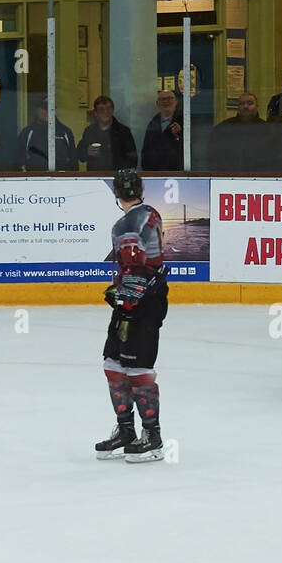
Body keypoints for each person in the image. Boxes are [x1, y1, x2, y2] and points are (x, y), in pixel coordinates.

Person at [96, 169, 169, 463]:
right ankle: (126, 430)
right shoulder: (151, 213)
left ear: (115, 192)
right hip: (144, 300)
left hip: (139, 305)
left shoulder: (123, 224)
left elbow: (136, 272)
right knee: (113, 363)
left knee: (137, 370)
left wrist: (124, 301)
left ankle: (152, 436)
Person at [207, 93, 271, 173]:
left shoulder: (267, 129)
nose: (245, 106)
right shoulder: (223, 128)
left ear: (257, 106)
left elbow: (272, 158)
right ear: (238, 107)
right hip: (228, 177)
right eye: (242, 103)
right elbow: (213, 156)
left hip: (260, 177)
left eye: (250, 103)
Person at [76, 95, 137, 173]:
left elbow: (132, 158)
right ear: (95, 113)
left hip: (117, 178)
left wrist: (123, 175)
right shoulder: (89, 131)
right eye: (101, 110)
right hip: (95, 178)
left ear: (112, 110)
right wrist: (87, 151)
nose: (105, 112)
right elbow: (79, 155)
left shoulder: (123, 132)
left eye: (108, 109)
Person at [16, 97, 76, 172]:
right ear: (37, 109)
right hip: (35, 180)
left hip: (61, 180)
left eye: (51, 108)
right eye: (44, 108)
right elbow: (19, 160)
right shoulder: (27, 132)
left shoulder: (65, 132)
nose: (48, 111)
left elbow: (74, 161)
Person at [141, 89, 184, 172]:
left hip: (178, 173)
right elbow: (146, 151)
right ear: (157, 104)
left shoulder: (185, 122)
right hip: (155, 174)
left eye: (170, 98)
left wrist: (180, 134)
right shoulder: (152, 123)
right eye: (163, 99)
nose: (166, 101)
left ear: (176, 102)